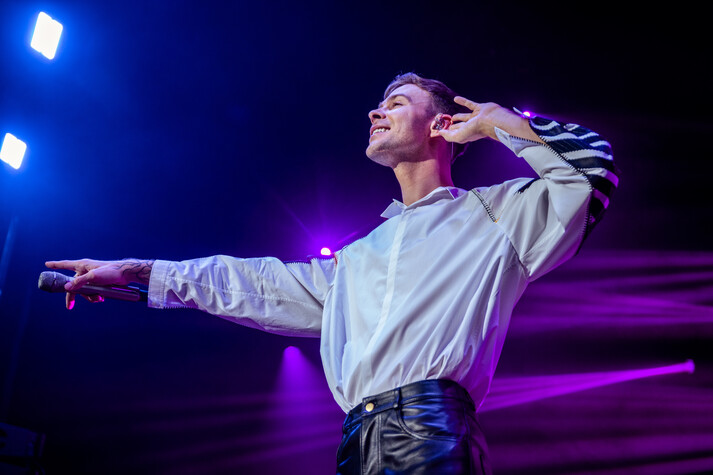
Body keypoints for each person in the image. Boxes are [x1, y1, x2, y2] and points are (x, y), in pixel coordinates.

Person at [46, 73, 617, 474]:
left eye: (396, 102)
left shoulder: (496, 214)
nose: (375, 112)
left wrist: (500, 124)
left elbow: (590, 174)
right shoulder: (361, 254)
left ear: (442, 125)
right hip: (355, 440)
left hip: (431, 431)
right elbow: (256, 283)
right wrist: (140, 271)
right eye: (380, 104)